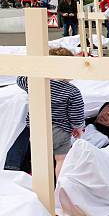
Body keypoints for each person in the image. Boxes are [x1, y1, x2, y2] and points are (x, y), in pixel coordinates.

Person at [4, 47, 84, 178]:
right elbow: (76, 114)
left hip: (36, 128)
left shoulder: (35, 83)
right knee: (61, 160)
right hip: (60, 131)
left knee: (39, 159)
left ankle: (37, 181)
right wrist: (78, 128)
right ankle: (60, 184)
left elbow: (20, 79)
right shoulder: (72, 91)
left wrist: (35, 69)